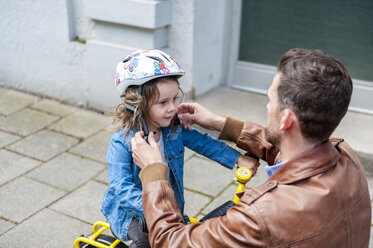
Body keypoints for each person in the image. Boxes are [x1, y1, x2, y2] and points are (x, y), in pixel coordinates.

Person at [130, 48, 371, 247]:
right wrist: (221, 124)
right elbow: (292, 153)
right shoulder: (346, 157)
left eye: (270, 100)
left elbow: (171, 242)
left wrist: (154, 174)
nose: (267, 107)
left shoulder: (260, 215)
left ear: (286, 120)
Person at [101, 49, 258, 247]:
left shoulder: (173, 130)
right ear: (137, 105)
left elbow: (204, 143)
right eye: (163, 102)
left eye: (175, 98)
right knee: (148, 242)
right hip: (131, 215)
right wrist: (158, 208)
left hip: (167, 208)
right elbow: (121, 189)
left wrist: (237, 158)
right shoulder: (121, 142)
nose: (173, 108)